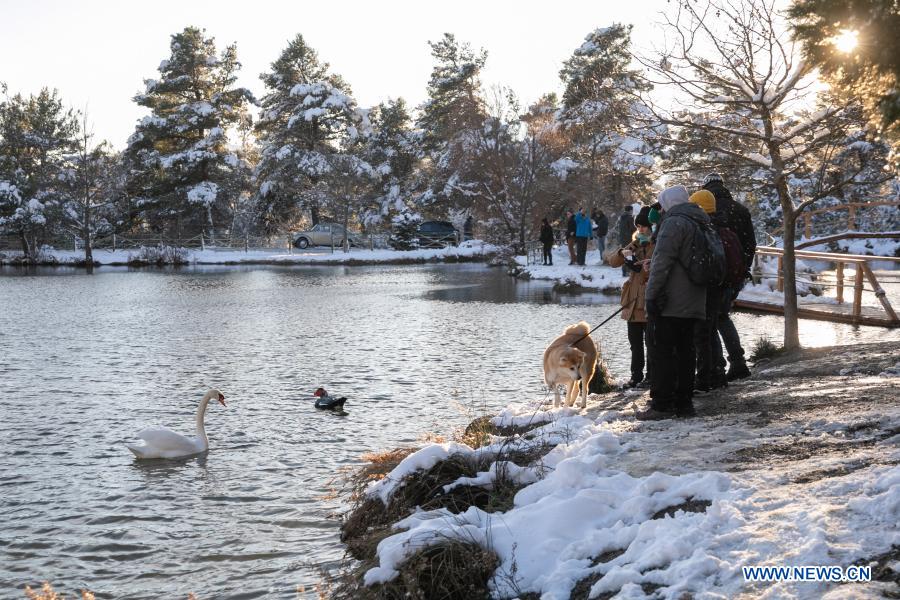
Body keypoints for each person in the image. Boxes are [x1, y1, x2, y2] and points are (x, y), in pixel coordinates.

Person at [639, 185, 709, 420]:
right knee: (686, 351)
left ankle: (661, 405)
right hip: (695, 298)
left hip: (671, 300)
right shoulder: (699, 220)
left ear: (668, 203)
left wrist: (651, 294)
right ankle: (684, 403)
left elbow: (663, 262)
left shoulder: (673, 222)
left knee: (662, 351)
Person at [702, 173, 755, 380]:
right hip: (735, 274)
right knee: (723, 316)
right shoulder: (740, 209)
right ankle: (738, 362)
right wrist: (742, 268)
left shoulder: (707, 209)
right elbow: (751, 243)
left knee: (709, 319)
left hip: (714, 273)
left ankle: (717, 366)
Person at [606, 205, 654, 388]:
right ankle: (636, 376)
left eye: (644, 226)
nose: (640, 229)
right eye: (638, 226)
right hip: (632, 303)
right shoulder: (635, 243)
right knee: (634, 343)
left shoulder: (655, 244)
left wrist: (636, 264)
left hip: (646, 301)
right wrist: (623, 252)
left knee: (650, 343)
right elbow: (612, 262)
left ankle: (650, 375)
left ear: (651, 227)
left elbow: (651, 270)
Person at [688, 190, 726, 393]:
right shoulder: (722, 228)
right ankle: (718, 373)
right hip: (719, 287)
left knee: (701, 336)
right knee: (711, 332)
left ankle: (703, 379)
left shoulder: (704, 230)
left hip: (704, 289)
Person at [616, 205, 636, 275]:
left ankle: (624, 271)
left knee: (624, 254)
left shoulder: (621, 218)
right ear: (630, 210)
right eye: (632, 210)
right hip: (629, 238)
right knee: (629, 255)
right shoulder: (629, 218)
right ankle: (628, 271)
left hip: (622, 238)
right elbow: (632, 229)